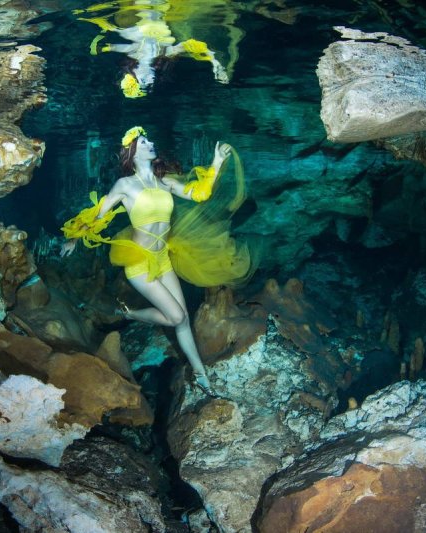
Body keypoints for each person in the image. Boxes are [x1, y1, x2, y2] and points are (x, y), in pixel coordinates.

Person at [61, 126, 254, 396]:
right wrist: (74, 239)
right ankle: (133, 314)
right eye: (143, 141)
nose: (151, 143)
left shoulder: (164, 182)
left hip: (162, 258)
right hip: (139, 264)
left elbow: (198, 194)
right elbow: (98, 214)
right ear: (132, 151)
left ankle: (201, 374)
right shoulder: (124, 186)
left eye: (150, 139)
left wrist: (217, 163)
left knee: (183, 319)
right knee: (175, 316)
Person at [75, 1, 229, 98]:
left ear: (132, 75)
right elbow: (196, 45)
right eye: (150, 85)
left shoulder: (134, 51)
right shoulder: (166, 55)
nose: (151, 81)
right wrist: (216, 63)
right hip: (159, 9)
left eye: (144, 82)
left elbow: (108, 46)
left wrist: (100, 45)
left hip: (137, 14)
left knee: (124, 19)